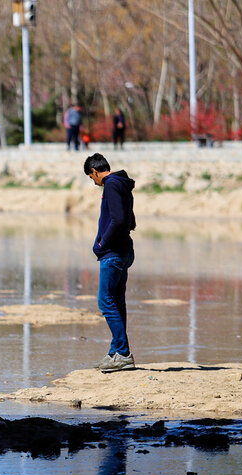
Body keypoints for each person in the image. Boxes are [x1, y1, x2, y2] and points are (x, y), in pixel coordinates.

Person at [83, 153, 136, 373]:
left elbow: (120, 220)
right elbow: (130, 221)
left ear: (95, 172)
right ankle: (116, 352)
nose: (93, 182)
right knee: (116, 301)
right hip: (123, 250)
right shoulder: (122, 183)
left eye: (91, 177)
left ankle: (123, 353)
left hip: (113, 253)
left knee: (105, 302)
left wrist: (101, 243)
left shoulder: (112, 184)